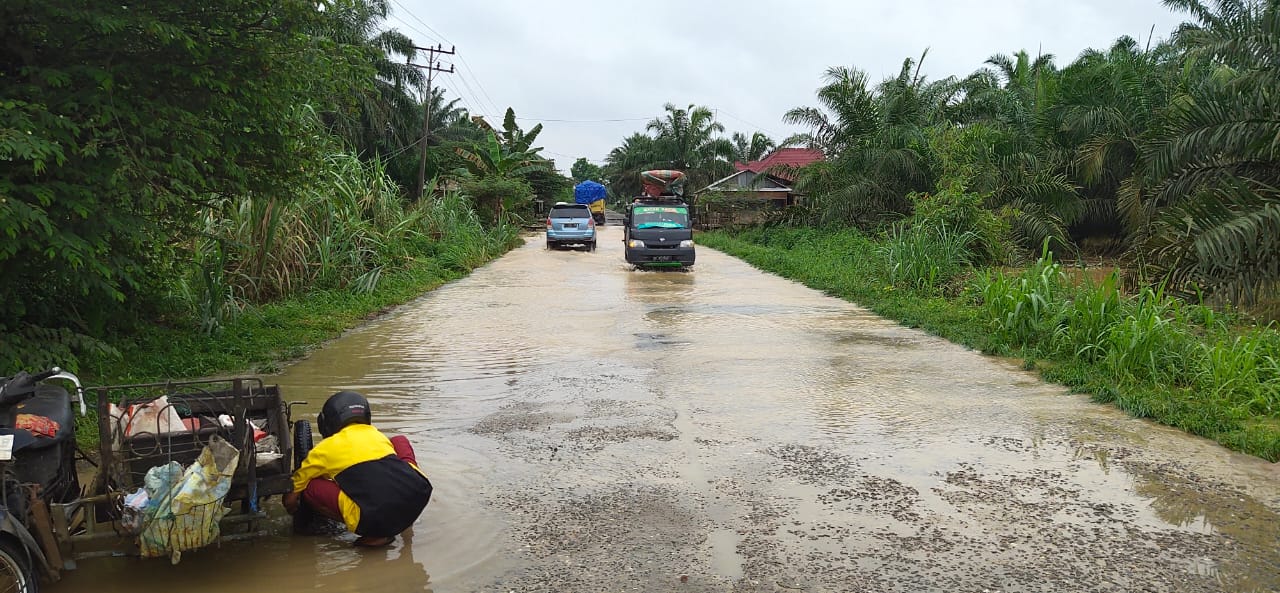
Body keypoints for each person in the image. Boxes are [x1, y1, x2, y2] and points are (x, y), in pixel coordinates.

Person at [284, 390, 433, 547]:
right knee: (399, 440)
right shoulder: (377, 435)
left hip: (375, 515)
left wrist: (293, 509)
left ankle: (375, 533)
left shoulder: (323, 450)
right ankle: (405, 523)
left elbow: (292, 495)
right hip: (418, 495)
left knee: (309, 487)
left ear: (325, 424)